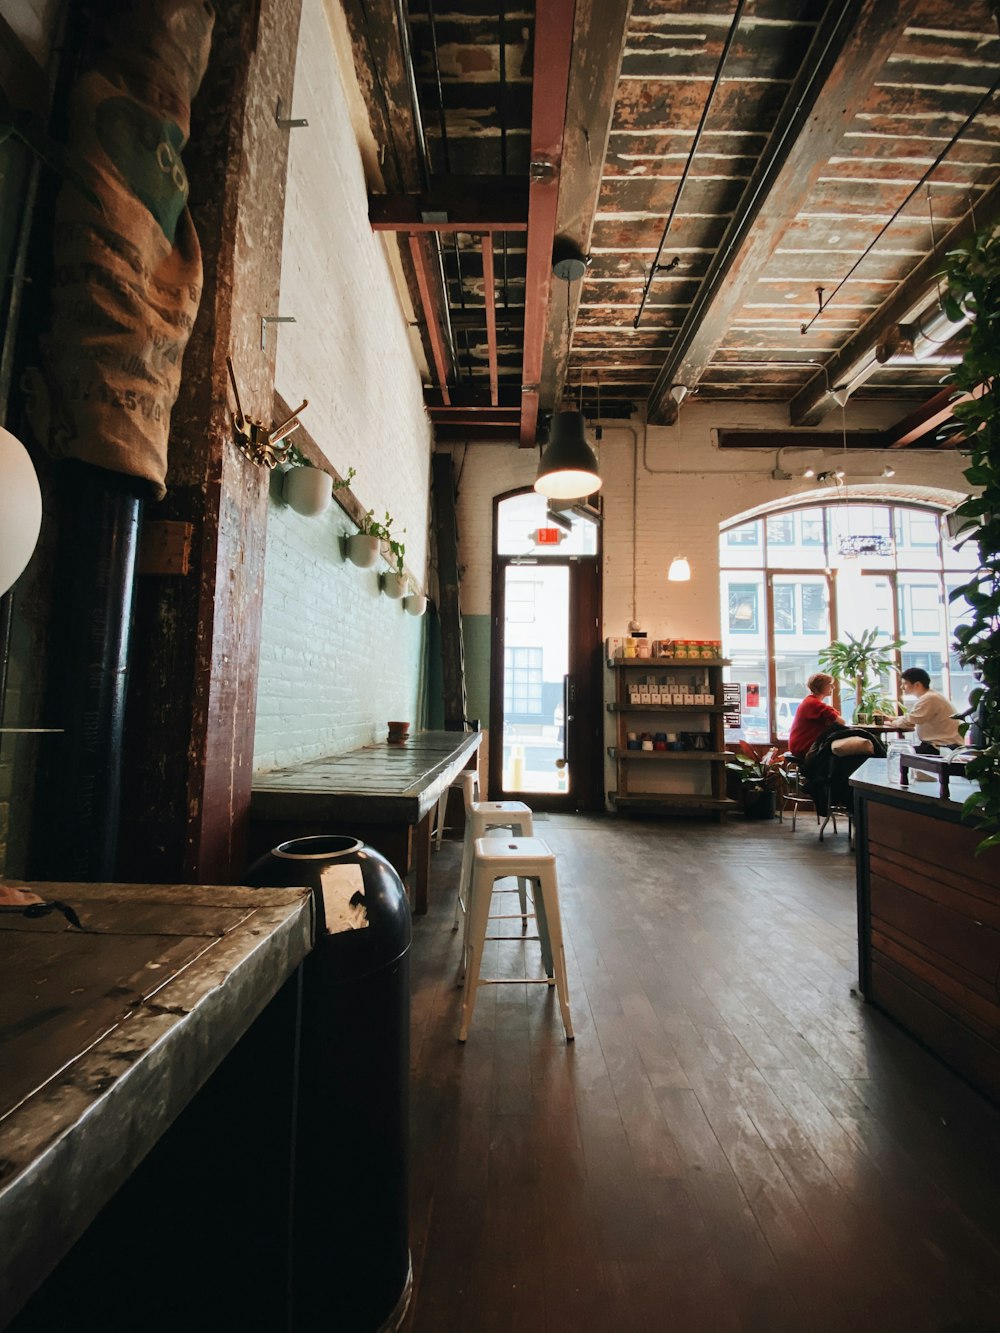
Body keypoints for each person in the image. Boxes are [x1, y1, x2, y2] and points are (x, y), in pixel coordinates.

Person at [888, 668, 963, 748]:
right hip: (942, 746)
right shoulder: (931, 696)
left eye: (905, 683)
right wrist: (892, 718)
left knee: (897, 751)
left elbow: (909, 722)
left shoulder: (929, 698)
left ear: (917, 684)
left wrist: (891, 723)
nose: (901, 687)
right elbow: (912, 717)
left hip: (941, 748)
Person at [788, 673, 844, 757]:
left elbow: (834, 717)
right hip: (804, 747)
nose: (833, 687)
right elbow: (841, 722)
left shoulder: (811, 701)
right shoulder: (813, 703)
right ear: (820, 686)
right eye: (830, 684)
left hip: (801, 746)